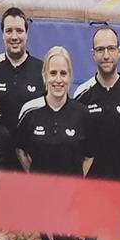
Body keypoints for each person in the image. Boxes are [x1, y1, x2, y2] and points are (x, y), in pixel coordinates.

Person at [74, 26, 120, 181]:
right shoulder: (81, 94)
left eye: (111, 48)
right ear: (93, 54)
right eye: (100, 50)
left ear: (119, 51)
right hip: (89, 188)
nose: (106, 55)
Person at [13, 47, 89, 175]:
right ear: (44, 75)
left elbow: (89, 156)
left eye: (63, 73)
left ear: (70, 76)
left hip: (72, 193)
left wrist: (77, 183)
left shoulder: (82, 113)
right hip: (40, 192)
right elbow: (20, 150)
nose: (58, 80)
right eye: (53, 73)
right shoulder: (30, 111)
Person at [0, 7, 43, 127]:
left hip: (30, 145)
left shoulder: (42, 70)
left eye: (19, 30)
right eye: (9, 31)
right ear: (2, 34)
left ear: (26, 34)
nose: (14, 37)